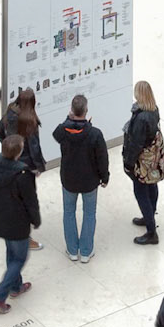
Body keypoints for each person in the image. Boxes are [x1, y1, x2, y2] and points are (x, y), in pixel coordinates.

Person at [53, 94, 110, 263]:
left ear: (72, 111)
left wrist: (67, 120)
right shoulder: (95, 134)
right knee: (89, 213)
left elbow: (55, 134)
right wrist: (104, 177)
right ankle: (86, 252)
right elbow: (103, 159)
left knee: (69, 213)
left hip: (69, 180)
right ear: (86, 111)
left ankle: (72, 250)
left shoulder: (63, 131)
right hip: (89, 181)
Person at [0, 132, 39, 312]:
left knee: (11, 253)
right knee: (20, 258)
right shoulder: (23, 173)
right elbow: (30, 201)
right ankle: (0, 295)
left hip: (0, 218)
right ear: (19, 153)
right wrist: (36, 220)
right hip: (18, 223)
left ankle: (16, 287)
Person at [121, 79, 164, 245]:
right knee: (151, 185)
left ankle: (151, 231)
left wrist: (128, 162)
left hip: (142, 161)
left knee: (141, 192)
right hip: (152, 159)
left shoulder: (141, 118)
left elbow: (136, 144)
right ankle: (149, 216)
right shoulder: (154, 110)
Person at [0, 87, 45, 177]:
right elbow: (34, 148)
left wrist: (8, 145)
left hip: (11, 158)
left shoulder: (10, 112)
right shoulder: (29, 121)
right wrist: (39, 166)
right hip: (26, 163)